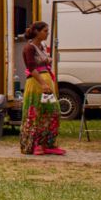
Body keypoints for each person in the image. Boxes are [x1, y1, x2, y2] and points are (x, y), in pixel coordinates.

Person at [20, 21, 65, 156]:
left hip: (47, 79)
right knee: (36, 113)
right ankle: (35, 145)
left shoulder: (43, 46)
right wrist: (42, 83)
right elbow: (31, 67)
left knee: (52, 112)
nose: (47, 33)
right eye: (45, 31)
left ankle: (48, 143)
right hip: (36, 82)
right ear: (37, 32)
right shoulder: (29, 48)